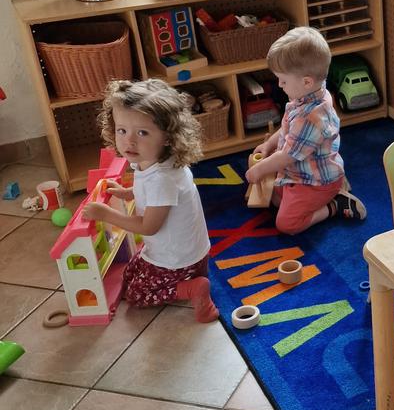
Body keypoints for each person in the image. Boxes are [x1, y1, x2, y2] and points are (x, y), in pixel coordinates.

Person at [83, 79, 217, 323]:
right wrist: (127, 193)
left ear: (168, 136)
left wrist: (105, 214)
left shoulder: (162, 179)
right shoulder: (154, 159)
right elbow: (152, 192)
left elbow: (148, 226)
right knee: (130, 271)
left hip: (178, 259)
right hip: (194, 252)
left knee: (136, 294)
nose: (129, 141)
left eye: (142, 132)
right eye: (122, 130)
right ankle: (191, 278)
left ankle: (192, 288)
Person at [246, 26, 366, 234]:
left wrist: (261, 168)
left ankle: (335, 205)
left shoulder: (310, 117)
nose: (279, 84)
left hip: (315, 182)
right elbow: (287, 129)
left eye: (283, 80)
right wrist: (269, 144)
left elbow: (288, 156)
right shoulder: (307, 95)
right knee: (273, 197)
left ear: (306, 81)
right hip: (301, 171)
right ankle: (330, 193)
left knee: (286, 224)